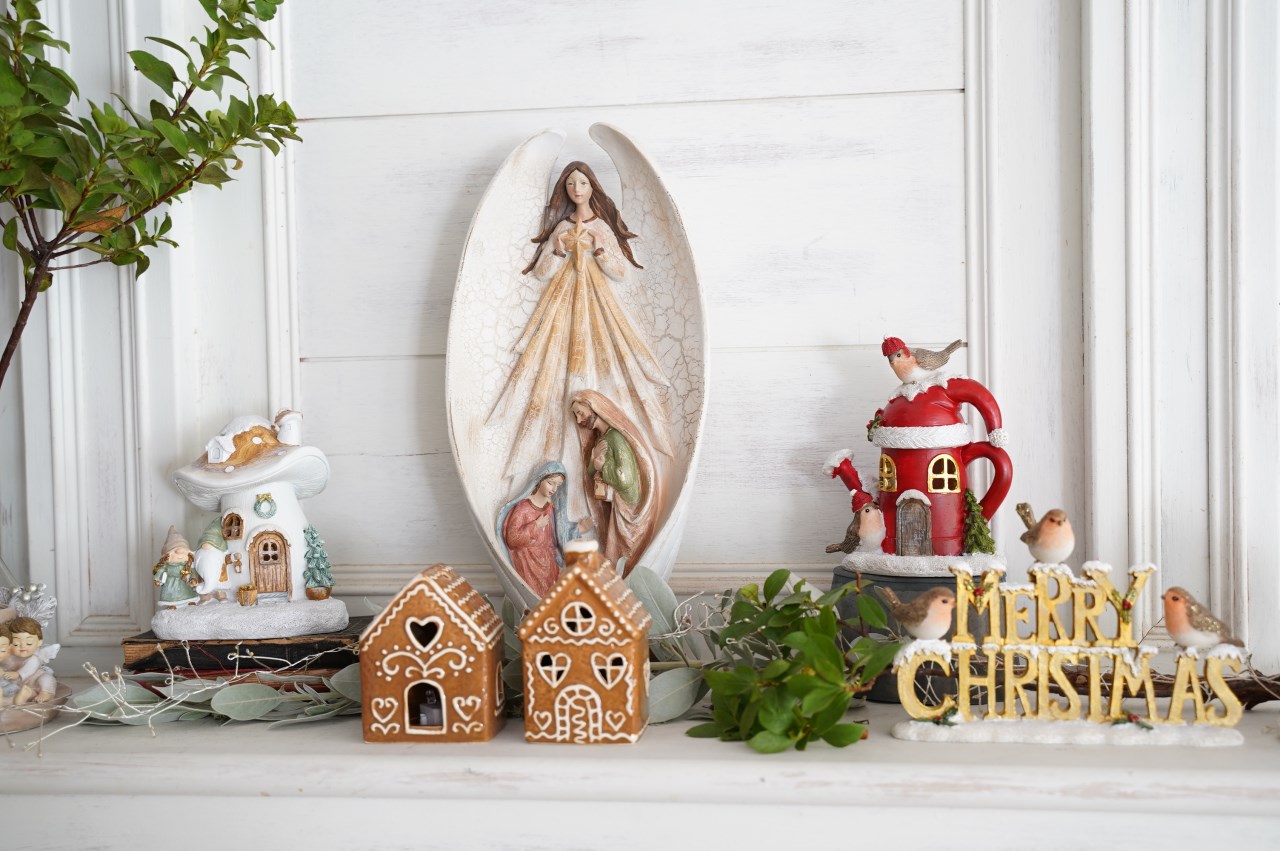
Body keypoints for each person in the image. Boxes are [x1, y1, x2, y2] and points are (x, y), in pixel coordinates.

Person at [488, 161, 673, 519]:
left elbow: (620, 272)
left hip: (596, 305)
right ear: (565, 189)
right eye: (571, 183)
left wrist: (601, 249)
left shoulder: (600, 226)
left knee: (604, 362)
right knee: (552, 369)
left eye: (582, 183)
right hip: (562, 303)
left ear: (592, 188)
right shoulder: (561, 228)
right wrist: (557, 249)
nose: (576, 189)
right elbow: (542, 272)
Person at [569, 391, 660, 572]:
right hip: (616, 505)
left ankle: (627, 577)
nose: (579, 420)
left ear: (594, 408)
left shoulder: (615, 438)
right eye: (576, 415)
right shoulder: (602, 438)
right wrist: (594, 461)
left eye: (580, 413)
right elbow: (591, 471)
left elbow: (625, 478)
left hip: (628, 507)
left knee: (624, 552)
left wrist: (602, 466)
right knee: (615, 550)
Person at [496, 463, 575, 598]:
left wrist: (579, 528)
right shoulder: (523, 508)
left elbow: (558, 535)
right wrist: (536, 525)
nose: (554, 489)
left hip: (548, 562)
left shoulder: (549, 508)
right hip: (528, 562)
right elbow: (512, 539)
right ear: (540, 480)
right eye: (550, 483)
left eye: (558, 485)